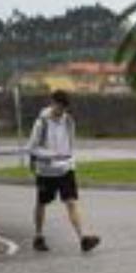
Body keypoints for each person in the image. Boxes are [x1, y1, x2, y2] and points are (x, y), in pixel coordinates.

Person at [25, 90, 101, 253]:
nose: (60, 112)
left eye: (63, 108)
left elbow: (70, 143)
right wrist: (51, 155)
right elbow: (31, 148)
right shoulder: (41, 123)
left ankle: (83, 239)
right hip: (46, 171)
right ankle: (38, 236)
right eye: (58, 107)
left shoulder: (68, 121)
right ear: (52, 103)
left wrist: (70, 161)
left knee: (71, 202)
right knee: (41, 203)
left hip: (65, 169)